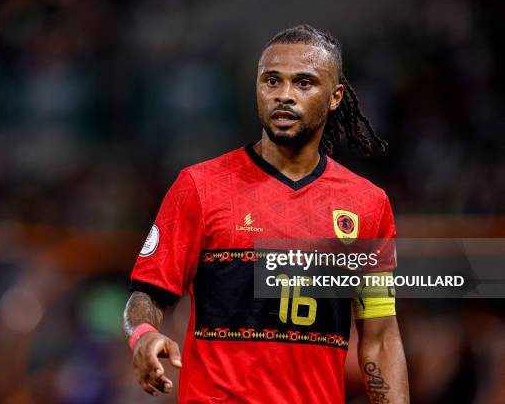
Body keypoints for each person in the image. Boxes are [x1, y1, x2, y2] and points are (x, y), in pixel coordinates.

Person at [123, 24, 409, 403]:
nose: (284, 96)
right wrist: (143, 335)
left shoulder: (368, 206)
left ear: (336, 96)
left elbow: (380, 338)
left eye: (304, 83)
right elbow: (147, 295)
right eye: (271, 81)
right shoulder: (199, 187)